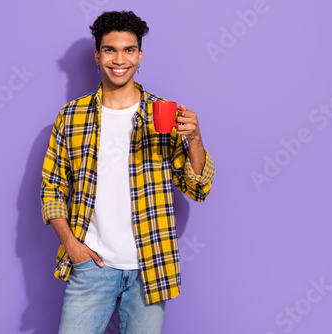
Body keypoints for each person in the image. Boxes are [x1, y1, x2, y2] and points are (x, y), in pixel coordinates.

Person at [40, 10, 215, 333]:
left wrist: (195, 139)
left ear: (140, 55)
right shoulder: (72, 116)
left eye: (129, 50)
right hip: (91, 265)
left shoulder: (166, 114)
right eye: (110, 49)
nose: (120, 59)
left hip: (150, 266)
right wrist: (71, 245)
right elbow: (52, 188)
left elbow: (197, 188)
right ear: (97, 55)